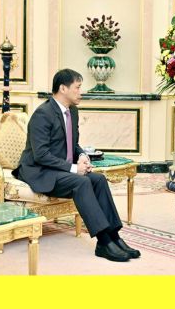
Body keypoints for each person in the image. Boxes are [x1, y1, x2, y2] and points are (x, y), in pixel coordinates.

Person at [13, 68, 140, 262]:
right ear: (63, 88)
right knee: (81, 182)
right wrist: (74, 168)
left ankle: (115, 236)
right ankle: (104, 242)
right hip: (40, 171)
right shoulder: (43, 114)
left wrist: (81, 156)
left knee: (98, 179)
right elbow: (41, 155)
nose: (81, 92)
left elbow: (73, 144)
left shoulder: (72, 110)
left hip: (58, 169)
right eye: (77, 87)